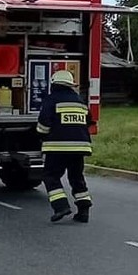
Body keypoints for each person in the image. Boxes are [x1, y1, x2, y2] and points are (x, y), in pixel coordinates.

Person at [35, 70, 93, 223]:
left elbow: (43, 125)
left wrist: (41, 136)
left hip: (57, 147)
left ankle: (61, 207)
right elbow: (89, 121)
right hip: (80, 147)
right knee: (77, 177)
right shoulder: (80, 101)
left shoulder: (51, 100)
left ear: (54, 84)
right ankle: (83, 211)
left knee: (50, 176)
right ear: (70, 85)